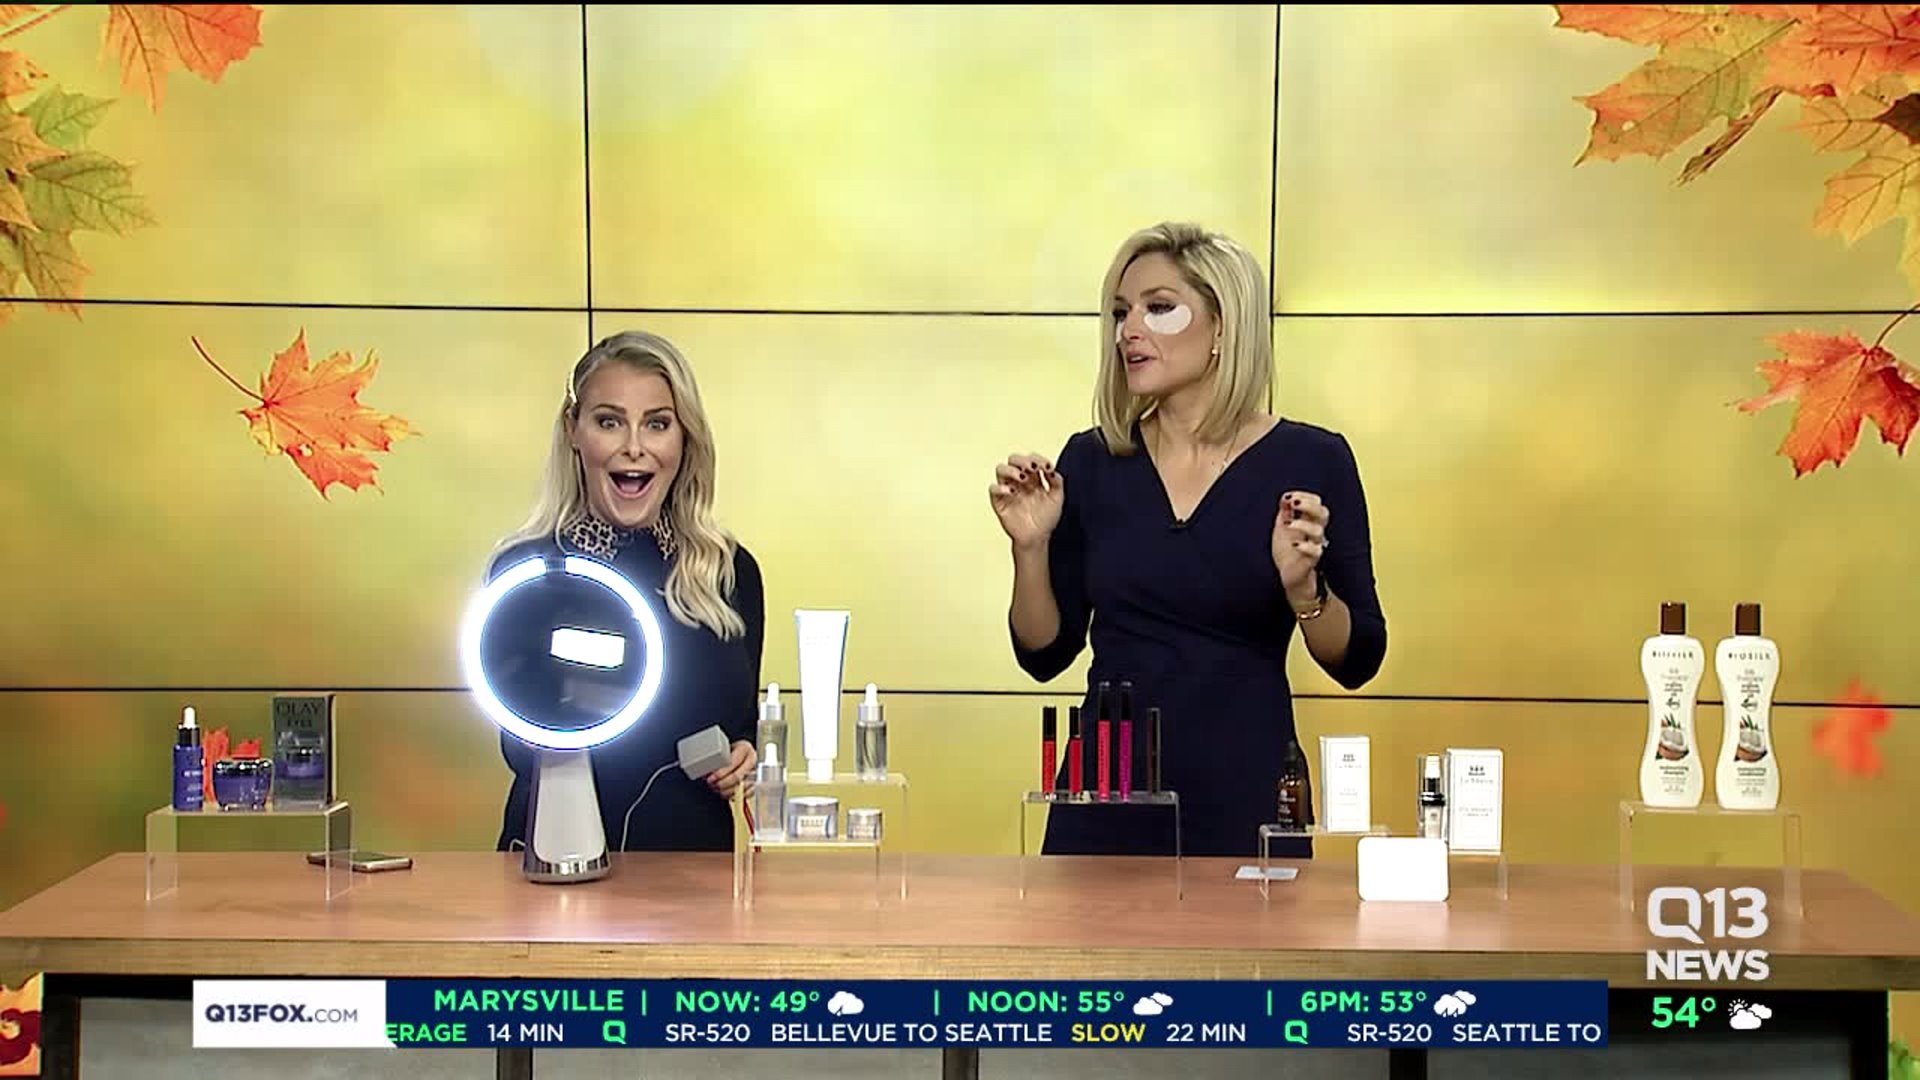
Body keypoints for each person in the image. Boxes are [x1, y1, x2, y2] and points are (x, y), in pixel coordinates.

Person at [989, 222, 1387, 858]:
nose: (1129, 330)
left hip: (1246, 796)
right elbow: (1044, 653)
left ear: (1222, 326)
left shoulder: (1313, 460)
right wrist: (1029, 548)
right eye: (1121, 312)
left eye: (1159, 308)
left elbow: (1358, 658)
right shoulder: (1092, 460)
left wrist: (1304, 590)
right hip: (1107, 796)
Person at [489, 330, 763, 854]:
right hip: (554, 864)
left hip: (692, 870)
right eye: (609, 422)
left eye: (657, 424)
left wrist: (742, 758)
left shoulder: (728, 573)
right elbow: (520, 747)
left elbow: (742, 728)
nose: (634, 447)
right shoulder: (528, 574)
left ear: (684, 439)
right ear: (574, 431)